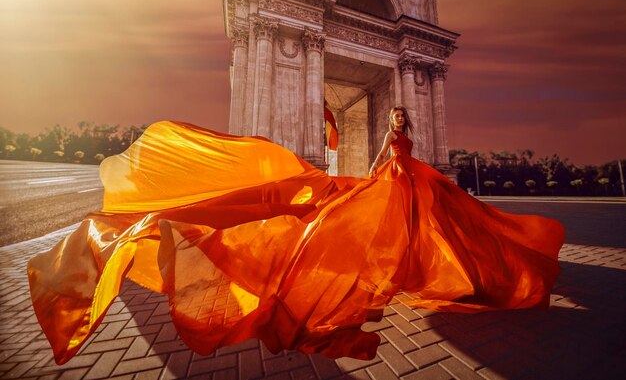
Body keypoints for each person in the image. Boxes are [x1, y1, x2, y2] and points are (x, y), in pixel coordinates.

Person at [27, 108, 565, 365]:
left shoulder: (399, 143)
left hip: (405, 188)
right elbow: (383, 162)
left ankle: (455, 270)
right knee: (409, 232)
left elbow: (389, 160)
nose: (397, 122)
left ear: (401, 125)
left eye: (399, 120)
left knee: (427, 232)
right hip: (398, 187)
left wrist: (380, 164)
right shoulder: (392, 144)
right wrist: (359, 161)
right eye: (397, 118)